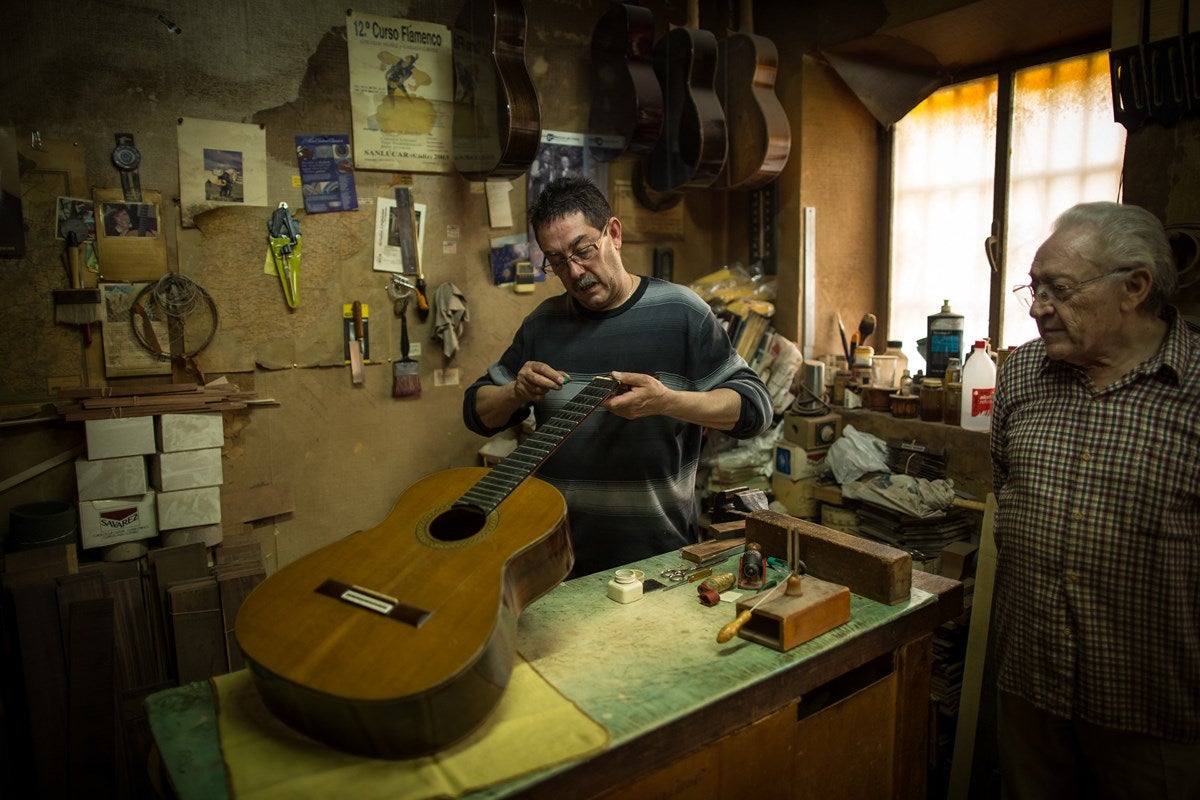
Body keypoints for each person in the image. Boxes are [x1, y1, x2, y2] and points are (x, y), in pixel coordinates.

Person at [990, 201, 1200, 798]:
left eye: (1058, 289)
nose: (1037, 308)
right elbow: (1006, 486)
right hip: (1030, 689)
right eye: (1033, 288)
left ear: (1134, 287)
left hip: (1156, 717)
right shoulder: (1022, 374)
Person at [463, 177, 772, 578]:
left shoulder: (681, 312)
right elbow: (476, 411)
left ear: (613, 233)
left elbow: (755, 409)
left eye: (583, 250)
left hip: (657, 560)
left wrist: (667, 402)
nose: (574, 272)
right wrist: (514, 392)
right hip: (557, 559)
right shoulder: (543, 323)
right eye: (556, 261)